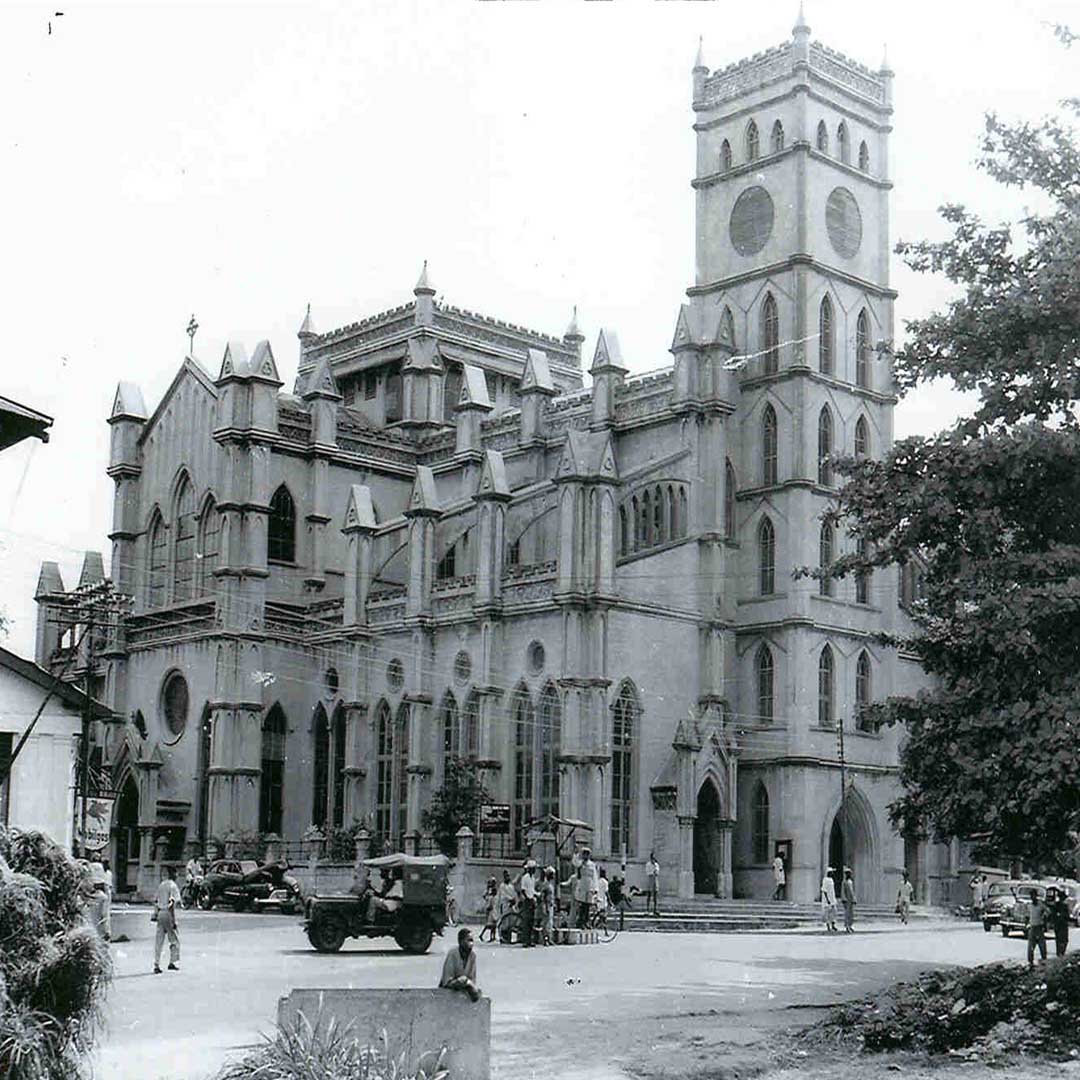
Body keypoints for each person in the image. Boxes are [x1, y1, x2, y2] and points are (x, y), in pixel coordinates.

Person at [439, 927, 481, 1002]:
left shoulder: (472, 956)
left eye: (472, 941)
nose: (471, 944)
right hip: (447, 993)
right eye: (469, 940)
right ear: (461, 941)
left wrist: (467, 983)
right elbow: (447, 981)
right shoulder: (452, 954)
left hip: (464, 991)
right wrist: (462, 981)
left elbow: (472, 980)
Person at [154, 865, 181, 974]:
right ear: (173, 874)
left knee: (159, 940)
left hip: (160, 912)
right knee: (174, 940)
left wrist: (155, 914)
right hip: (168, 914)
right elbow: (172, 904)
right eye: (176, 873)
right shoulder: (173, 886)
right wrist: (174, 921)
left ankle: (156, 964)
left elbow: (156, 901)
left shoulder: (161, 885)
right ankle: (173, 962)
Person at [1047, 886, 1070, 958]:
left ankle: (1060, 953)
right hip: (1060, 925)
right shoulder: (1058, 905)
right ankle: (1060, 953)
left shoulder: (1060, 905)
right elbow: (1054, 914)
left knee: (1061, 940)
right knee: (1061, 940)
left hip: (1061, 924)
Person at [518, 861, 537, 947]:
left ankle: (529, 940)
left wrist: (536, 896)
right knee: (526, 921)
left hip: (532, 900)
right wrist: (528, 899)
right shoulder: (525, 878)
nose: (534, 870)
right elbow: (523, 890)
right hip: (527, 901)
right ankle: (525, 941)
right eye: (533, 868)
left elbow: (532, 890)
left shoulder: (533, 878)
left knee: (531, 922)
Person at [1027, 890, 1048, 967]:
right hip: (1032, 927)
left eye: (1034, 896)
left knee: (1042, 945)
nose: (1032, 897)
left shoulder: (1041, 905)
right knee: (1030, 946)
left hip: (1039, 927)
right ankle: (1030, 961)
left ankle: (1044, 960)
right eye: (1031, 896)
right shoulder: (1029, 905)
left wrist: (1044, 919)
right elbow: (1027, 915)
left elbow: (1048, 912)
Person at [497, 869, 516, 944]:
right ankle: (503, 938)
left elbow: (514, 894)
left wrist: (513, 900)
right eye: (506, 876)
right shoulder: (502, 886)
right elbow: (503, 895)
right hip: (505, 905)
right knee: (504, 921)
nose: (508, 877)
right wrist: (510, 899)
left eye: (508, 876)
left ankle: (508, 938)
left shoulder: (511, 886)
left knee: (510, 922)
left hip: (511, 905)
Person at [539, 867, 556, 945]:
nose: (553, 876)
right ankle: (545, 939)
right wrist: (544, 906)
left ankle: (549, 938)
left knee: (550, 923)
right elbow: (543, 896)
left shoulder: (550, 884)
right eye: (552, 875)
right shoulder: (545, 884)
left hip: (551, 904)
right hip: (546, 905)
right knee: (545, 924)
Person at [479, 877, 498, 943]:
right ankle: (483, 935)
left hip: (493, 910)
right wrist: (488, 898)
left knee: (493, 925)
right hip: (491, 910)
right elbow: (485, 896)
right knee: (490, 924)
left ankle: (493, 937)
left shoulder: (493, 892)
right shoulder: (489, 891)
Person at [821, 867, 838, 933]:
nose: (832, 874)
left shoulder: (831, 880)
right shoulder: (825, 880)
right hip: (827, 900)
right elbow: (824, 890)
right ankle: (828, 926)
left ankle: (833, 925)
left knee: (834, 913)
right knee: (827, 913)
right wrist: (827, 900)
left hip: (832, 899)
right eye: (831, 872)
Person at [841, 867, 856, 933]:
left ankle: (850, 925)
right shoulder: (844, 882)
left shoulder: (850, 881)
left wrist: (854, 898)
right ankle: (847, 926)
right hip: (847, 899)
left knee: (851, 913)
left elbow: (852, 891)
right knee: (847, 913)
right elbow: (843, 891)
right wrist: (844, 898)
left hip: (850, 899)